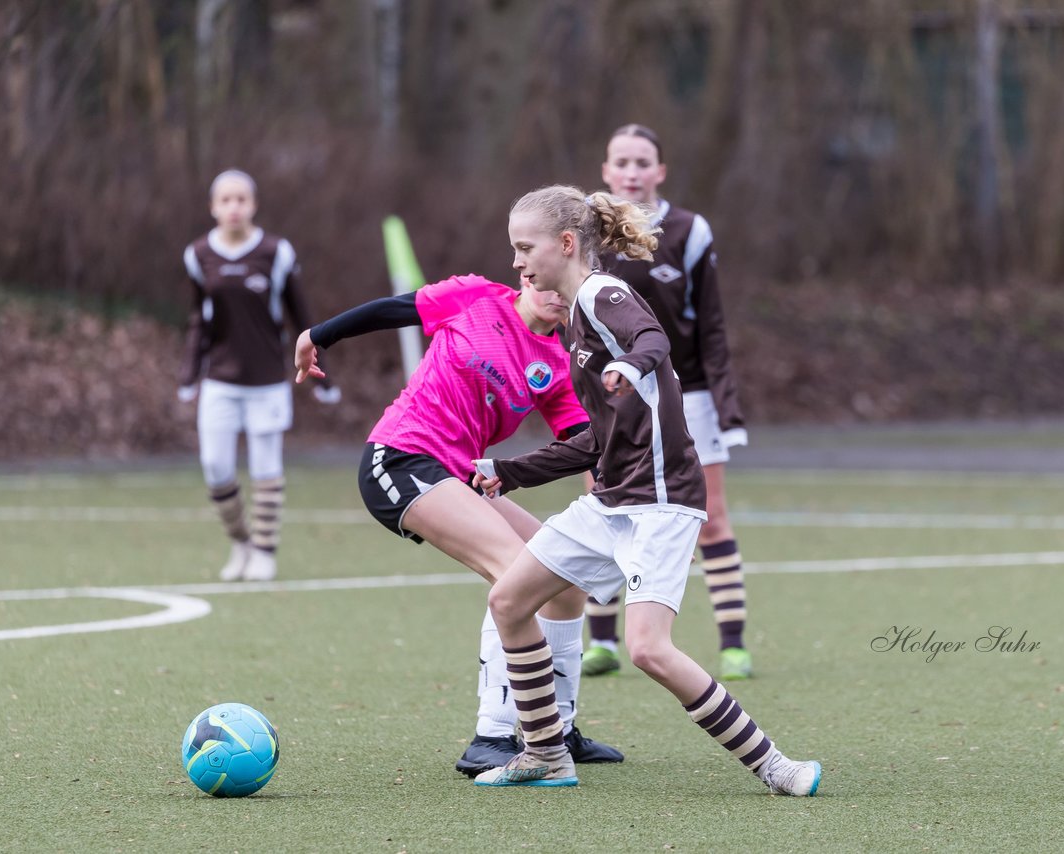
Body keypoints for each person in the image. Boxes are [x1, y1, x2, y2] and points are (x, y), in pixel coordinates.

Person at [469, 185, 820, 795]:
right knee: (508, 602)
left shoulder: (605, 295)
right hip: (611, 502)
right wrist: (511, 470)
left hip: (661, 501)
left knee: (649, 651)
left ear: (567, 243)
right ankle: (546, 755)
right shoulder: (576, 319)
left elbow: (652, 341)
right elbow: (596, 442)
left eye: (525, 248)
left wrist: (631, 365)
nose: (518, 263)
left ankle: (775, 765)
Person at [292, 271, 624, 777]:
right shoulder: (476, 296)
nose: (559, 293)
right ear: (528, 273)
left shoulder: (559, 364)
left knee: (565, 576)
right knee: (521, 574)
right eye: (549, 282)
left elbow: (586, 447)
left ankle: (557, 726)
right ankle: (491, 735)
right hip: (399, 459)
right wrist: (317, 336)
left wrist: (621, 504)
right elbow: (392, 309)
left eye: (569, 287)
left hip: (458, 477)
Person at [580, 124, 753, 681]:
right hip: (615, 396)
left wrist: (727, 409)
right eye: (621, 161)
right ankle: (601, 640)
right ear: (606, 170)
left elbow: (714, 329)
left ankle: (733, 643)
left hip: (689, 395)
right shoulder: (583, 231)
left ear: (660, 171)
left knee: (713, 516)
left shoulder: (688, 231)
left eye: (642, 162)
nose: (631, 171)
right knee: (606, 510)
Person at [178, 169, 341, 583]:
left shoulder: (276, 252)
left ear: (253, 204)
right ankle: (241, 543)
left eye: (241, 199)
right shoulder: (198, 255)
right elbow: (199, 318)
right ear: (213, 207)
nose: (234, 207)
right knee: (216, 466)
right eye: (226, 200)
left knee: (266, 466)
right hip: (220, 381)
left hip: (268, 380)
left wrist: (323, 375)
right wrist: (189, 372)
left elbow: (302, 317)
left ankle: (265, 552)